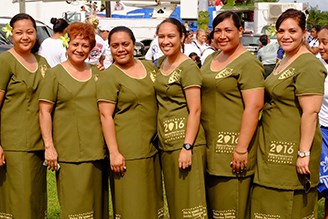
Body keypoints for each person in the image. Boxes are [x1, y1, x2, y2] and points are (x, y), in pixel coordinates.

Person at [251, 9, 326, 219]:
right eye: (281, 30)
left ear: (304, 33)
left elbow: (311, 112)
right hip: (272, 146)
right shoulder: (284, 59)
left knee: (288, 206)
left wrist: (303, 153)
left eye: (292, 30)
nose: (286, 35)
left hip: (292, 150)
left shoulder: (309, 64)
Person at [39, 22, 108, 218]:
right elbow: (44, 111)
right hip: (70, 153)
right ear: (67, 45)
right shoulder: (54, 74)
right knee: (76, 209)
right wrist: (49, 146)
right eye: (75, 44)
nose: (80, 49)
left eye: (85, 46)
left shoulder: (97, 74)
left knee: (98, 208)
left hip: (97, 152)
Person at [201, 11, 264, 218]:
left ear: (240, 31)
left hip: (232, 149)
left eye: (228, 30)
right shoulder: (211, 57)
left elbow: (254, 107)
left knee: (231, 210)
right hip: (209, 147)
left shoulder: (248, 63)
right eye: (217, 31)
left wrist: (241, 148)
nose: (222, 36)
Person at [97, 26, 163, 218]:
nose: (121, 49)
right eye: (115, 45)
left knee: (152, 202)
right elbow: (105, 116)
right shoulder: (109, 76)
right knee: (132, 205)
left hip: (153, 149)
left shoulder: (149, 67)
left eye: (125, 44)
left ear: (134, 44)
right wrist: (114, 152)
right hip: (128, 151)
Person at [155, 18, 208, 218]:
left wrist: (187, 147)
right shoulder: (161, 63)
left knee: (191, 205)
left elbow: (195, 110)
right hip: (167, 143)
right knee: (176, 201)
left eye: (171, 36)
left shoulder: (188, 68)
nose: (166, 41)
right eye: (161, 36)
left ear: (183, 38)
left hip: (186, 142)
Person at [0, 13, 50, 219]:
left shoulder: (43, 62)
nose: (25, 37)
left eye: (30, 32)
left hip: (39, 144)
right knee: (20, 203)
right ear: (11, 35)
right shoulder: (5, 61)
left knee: (36, 202)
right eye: (19, 32)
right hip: (15, 144)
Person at [317, 25, 328, 219]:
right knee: (317, 185)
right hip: (320, 131)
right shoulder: (317, 67)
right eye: (319, 41)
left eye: (325, 42)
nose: (320, 47)